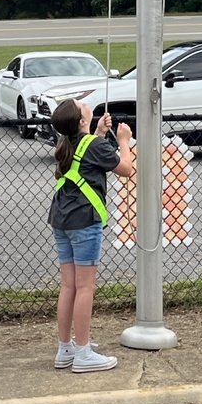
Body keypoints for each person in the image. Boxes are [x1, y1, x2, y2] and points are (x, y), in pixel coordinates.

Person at [48, 98, 133, 373]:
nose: (84, 103)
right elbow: (126, 169)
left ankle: (66, 348)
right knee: (85, 287)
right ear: (82, 121)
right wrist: (122, 140)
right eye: (80, 105)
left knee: (68, 285)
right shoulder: (94, 145)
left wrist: (98, 132)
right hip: (85, 221)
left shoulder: (68, 142)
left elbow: (86, 152)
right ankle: (83, 352)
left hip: (62, 218)